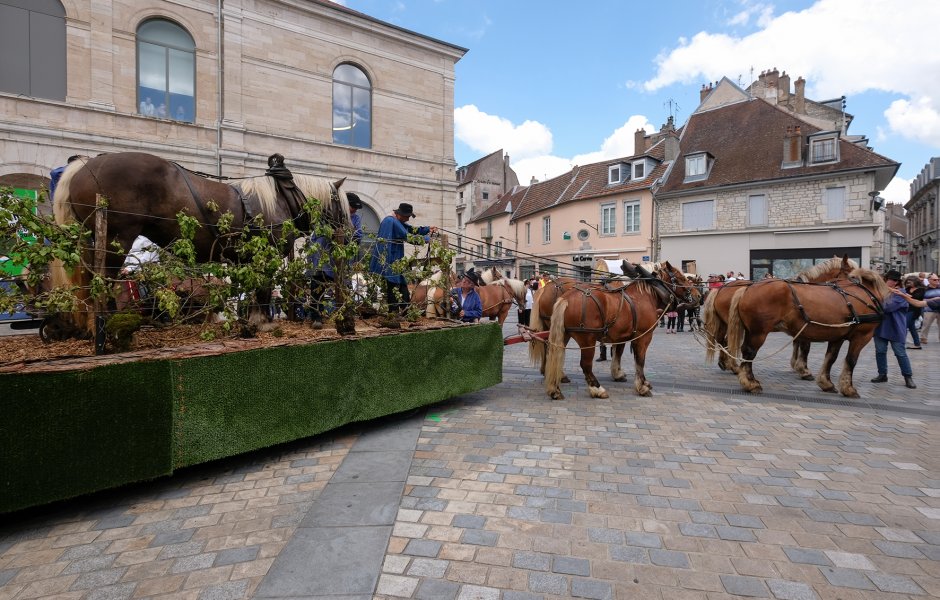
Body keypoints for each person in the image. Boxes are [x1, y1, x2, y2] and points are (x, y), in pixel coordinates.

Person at [368, 202, 436, 315]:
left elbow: (411, 229)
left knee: (402, 285)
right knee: (393, 286)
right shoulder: (391, 221)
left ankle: (406, 311)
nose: (408, 219)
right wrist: (425, 239)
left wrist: (427, 229)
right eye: (407, 217)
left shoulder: (396, 220)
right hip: (390, 260)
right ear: (401, 214)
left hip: (395, 259)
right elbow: (408, 236)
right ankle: (393, 313)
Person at [870, 270, 916, 389]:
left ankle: (908, 376)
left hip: (896, 328)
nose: (891, 282)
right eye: (890, 279)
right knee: (880, 351)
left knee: (900, 353)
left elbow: (887, 307)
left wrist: (878, 299)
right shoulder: (880, 291)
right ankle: (882, 374)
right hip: (881, 327)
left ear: (898, 282)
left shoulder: (901, 294)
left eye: (894, 280)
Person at [903, 276, 925, 349]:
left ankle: (901, 343)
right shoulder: (907, 289)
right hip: (907, 309)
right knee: (912, 328)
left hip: (914, 310)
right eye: (908, 281)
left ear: (915, 282)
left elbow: (918, 298)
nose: (909, 283)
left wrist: (908, 296)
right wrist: (907, 295)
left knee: (904, 326)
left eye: (910, 281)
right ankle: (917, 344)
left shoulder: (921, 289)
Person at [920, 273, 940, 344]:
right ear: (929, 280)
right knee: (926, 324)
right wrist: (933, 299)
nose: (937, 281)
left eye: (938, 279)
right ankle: (923, 338)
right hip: (929, 309)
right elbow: (922, 300)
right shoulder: (925, 289)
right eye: (935, 280)